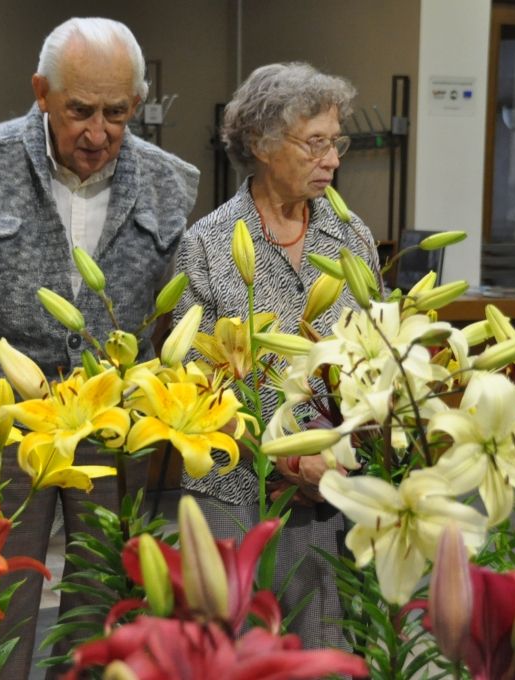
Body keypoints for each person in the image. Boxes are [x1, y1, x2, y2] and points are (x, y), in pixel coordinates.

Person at [0, 17, 199, 679]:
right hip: (2, 425)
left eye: (117, 113)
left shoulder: (168, 183)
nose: (98, 133)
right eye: (80, 111)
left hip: (112, 429)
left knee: (102, 598)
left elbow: (166, 311)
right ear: (41, 92)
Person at [173, 62, 380, 650]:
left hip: (340, 491)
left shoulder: (352, 237)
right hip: (239, 489)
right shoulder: (209, 245)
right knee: (239, 649)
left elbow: (377, 355)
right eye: (316, 143)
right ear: (263, 144)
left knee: (333, 649)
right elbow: (194, 385)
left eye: (336, 142)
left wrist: (349, 447)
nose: (333, 159)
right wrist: (287, 463)